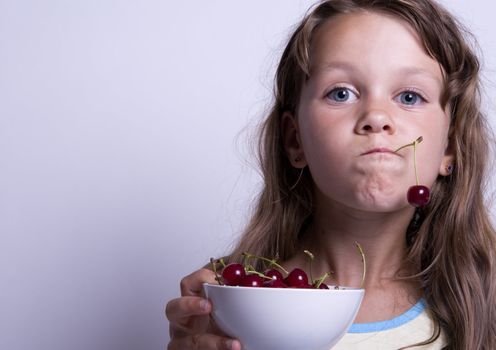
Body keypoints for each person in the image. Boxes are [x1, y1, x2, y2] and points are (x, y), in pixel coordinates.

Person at [165, 0, 496, 349]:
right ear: (296, 141)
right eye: (341, 93)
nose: (376, 116)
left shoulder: (486, 303)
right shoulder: (236, 300)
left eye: (410, 96)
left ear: (450, 148)